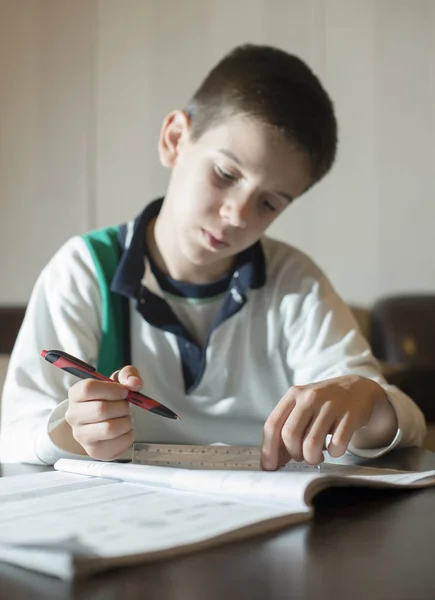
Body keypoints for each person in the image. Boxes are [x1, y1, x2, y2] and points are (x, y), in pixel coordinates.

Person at [0, 44, 426, 468]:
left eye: (269, 203)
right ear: (174, 140)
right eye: (225, 174)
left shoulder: (294, 282)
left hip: (265, 513)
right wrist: (70, 430)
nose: (236, 215)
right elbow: (16, 431)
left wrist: (366, 399)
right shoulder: (84, 269)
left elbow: (399, 421)